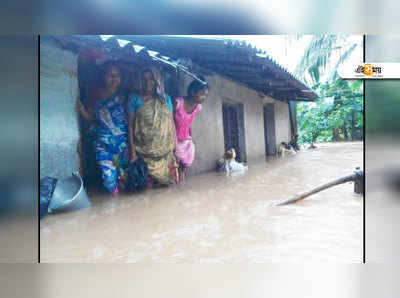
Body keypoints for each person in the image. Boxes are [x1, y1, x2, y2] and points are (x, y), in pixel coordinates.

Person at [76, 61, 129, 195]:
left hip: (123, 144)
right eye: (109, 75)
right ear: (103, 76)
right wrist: (81, 109)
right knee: (109, 180)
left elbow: (131, 119)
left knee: (124, 177)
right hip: (103, 144)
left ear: (121, 77)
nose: (113, 78)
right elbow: (90, 118)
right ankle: (113, 202)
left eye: (116, 75)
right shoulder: (96, 95)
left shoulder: (124, 96)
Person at [127, 67, 178, 186]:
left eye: (151, 79)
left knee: (166, 186)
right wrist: (133, 152)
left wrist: (175, 147)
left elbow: (170, 123)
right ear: (139, 81)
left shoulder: (165, 99)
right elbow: (130, 126)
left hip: (166, 152)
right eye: (144, 79)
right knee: (147, 185)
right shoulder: (134, 99)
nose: (147, 82)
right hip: (143, 151)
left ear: (156, 81)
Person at [173, 78, 209, 181]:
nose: (204, 97)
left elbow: (189, 123)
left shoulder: (198, 107)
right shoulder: (178, 103)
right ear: (193, 92)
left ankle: (182, 187)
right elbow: (169, 122)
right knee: (174, 168)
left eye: (205, 95)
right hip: (174, 140)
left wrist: (190, 138)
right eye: (202, 94)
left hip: (186, 141)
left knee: (183, 170)